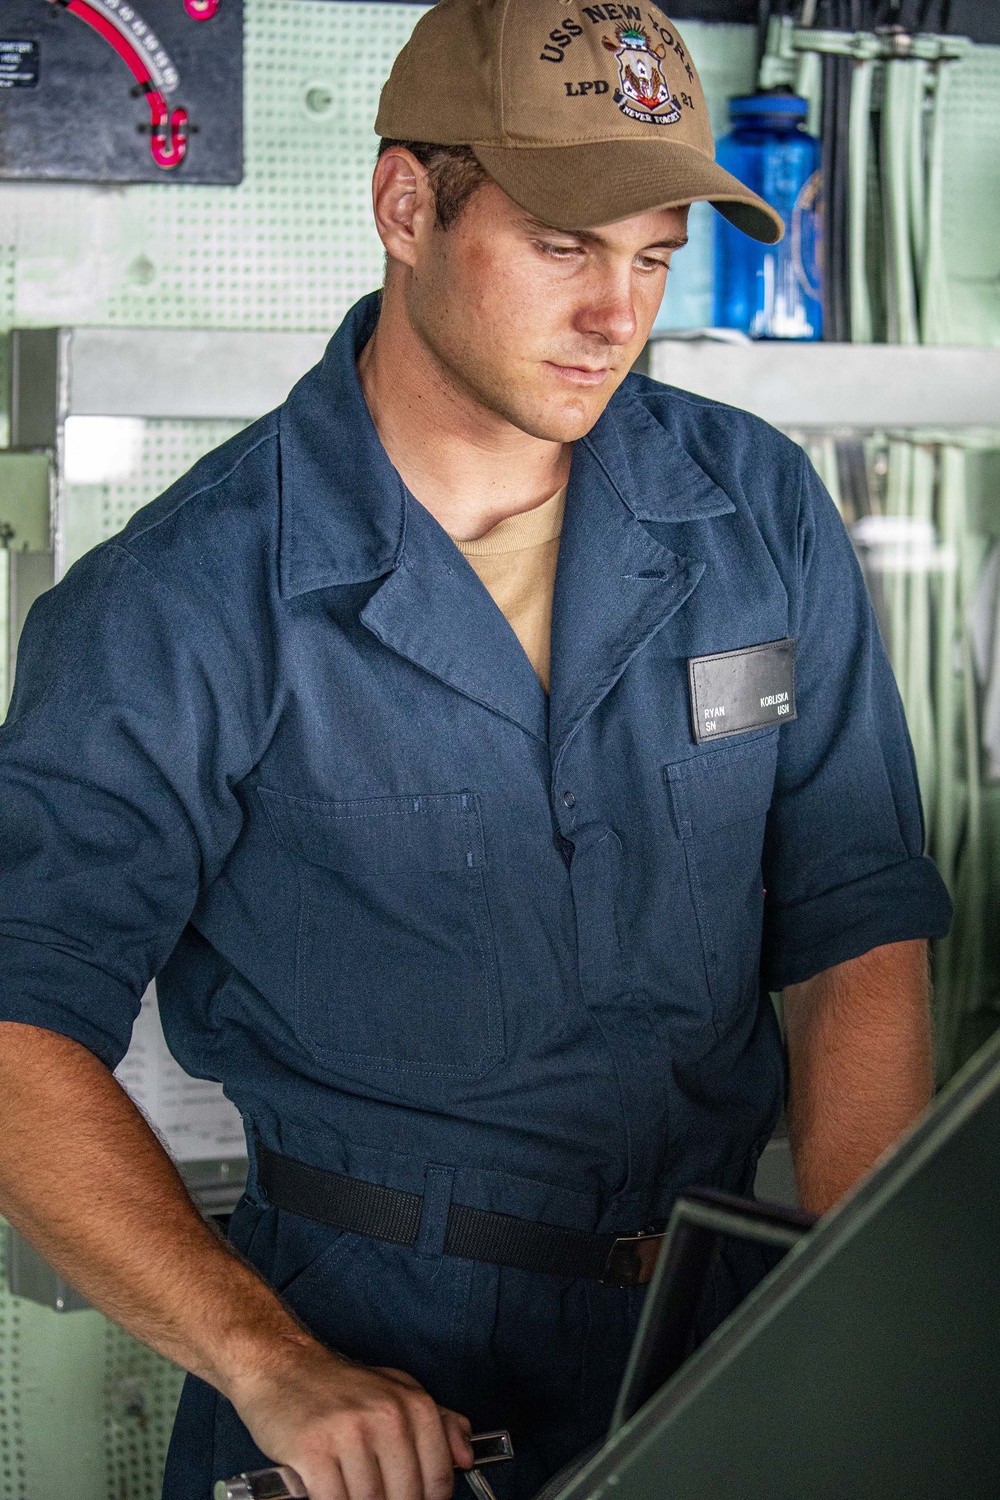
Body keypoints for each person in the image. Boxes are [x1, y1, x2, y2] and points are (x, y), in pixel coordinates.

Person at [0, 3, 950, 1499]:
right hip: (376, 1372)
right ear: (405, 207)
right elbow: (15, 1025)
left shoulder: (754, 510)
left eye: (652, 257)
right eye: (564, 248)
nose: (617, 316)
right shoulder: (182, 602)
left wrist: (861, 1322)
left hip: (717, 1325)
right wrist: (274, 1368)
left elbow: (856, 931)